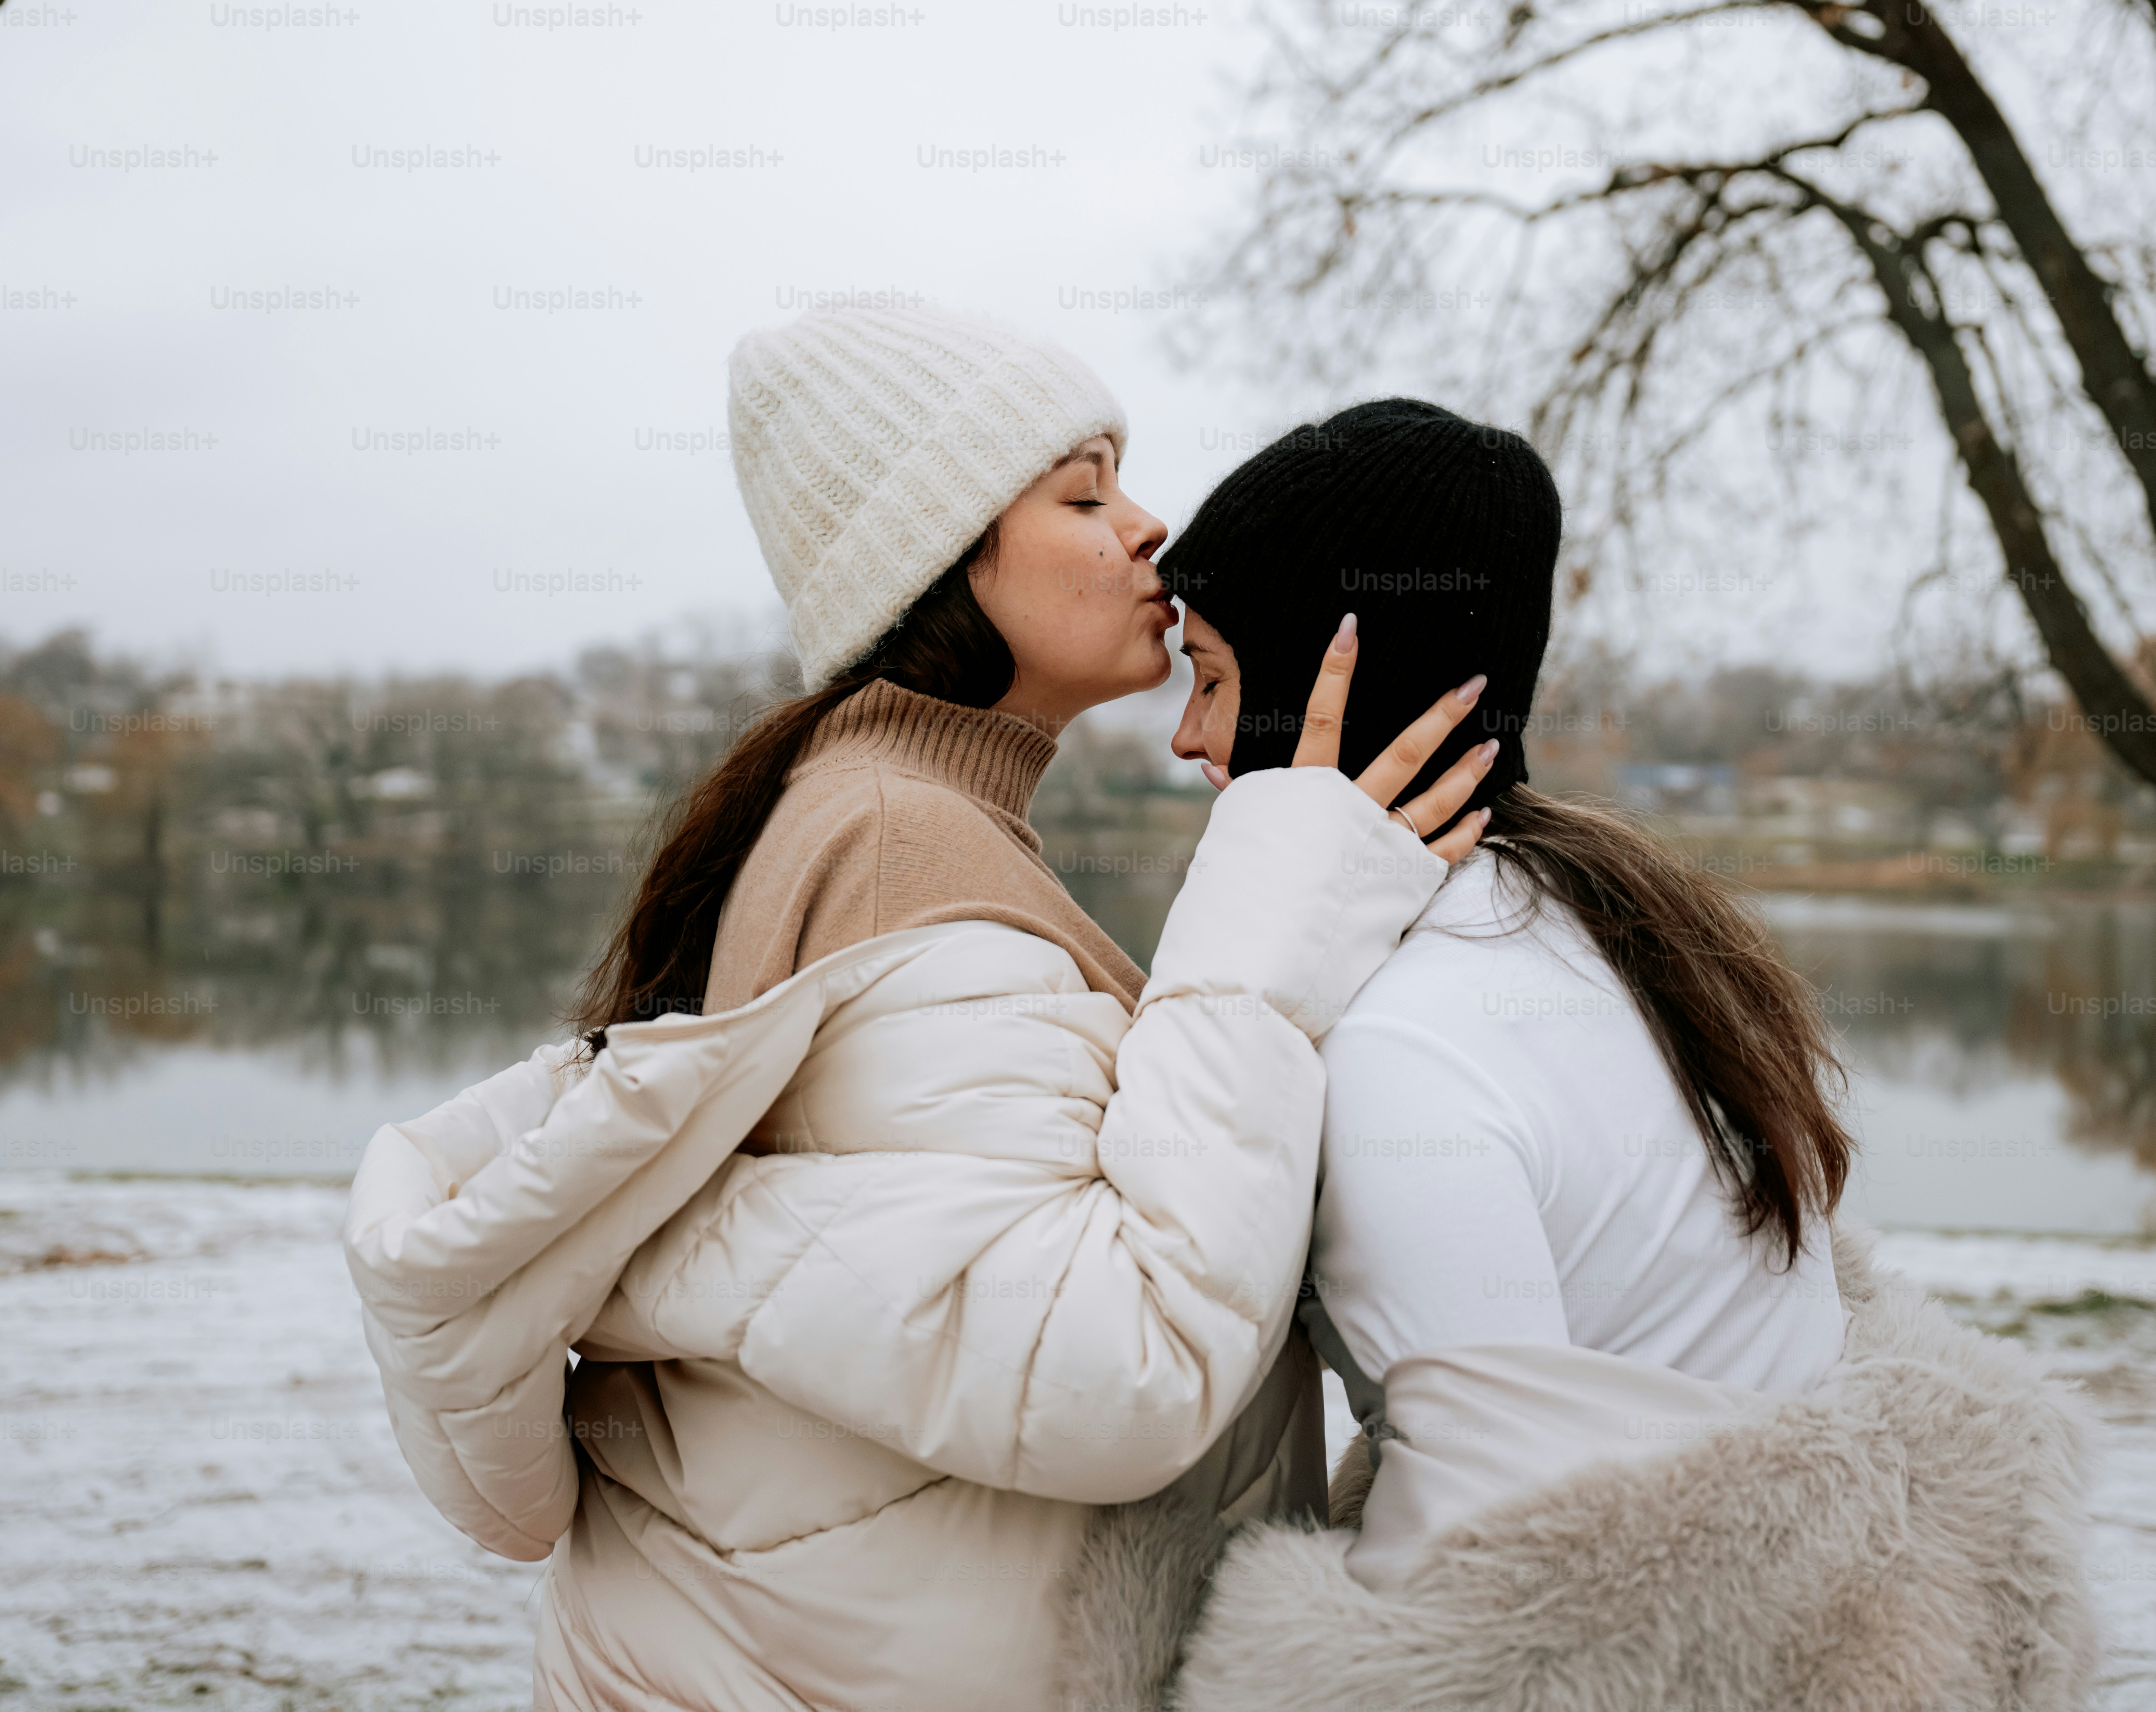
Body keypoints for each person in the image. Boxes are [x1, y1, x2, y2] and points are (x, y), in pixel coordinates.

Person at [343, 309, 1494, 1712]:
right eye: (1084, 494)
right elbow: (1119, 1362)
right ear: (942, 556)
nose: (1151, 531)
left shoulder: (886, 812)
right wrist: (1264, 925)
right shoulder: (905, 849)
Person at [1060, 400, 2097, 1712]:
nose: (1185, 738)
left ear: (1334, 680)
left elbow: (1504, 1586)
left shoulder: (1403, 1052)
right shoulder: (1584, 931)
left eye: (1210, 677)